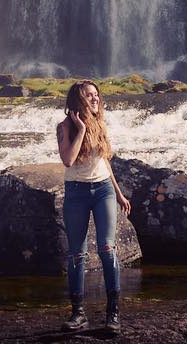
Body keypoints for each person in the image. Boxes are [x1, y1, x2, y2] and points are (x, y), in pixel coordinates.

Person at [56, 79, 131, 334]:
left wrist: (119, 193)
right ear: (78, 100)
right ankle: (78, 314)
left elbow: (104, 162)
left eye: (97, 94)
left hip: (103, 191)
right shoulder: (65, 126)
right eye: (89, 95)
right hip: (76, 192)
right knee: (77, 254)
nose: (95, 98)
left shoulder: (100, 123)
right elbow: (68, 160)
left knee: (107, 249)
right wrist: (80, 128)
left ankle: (113, 315)